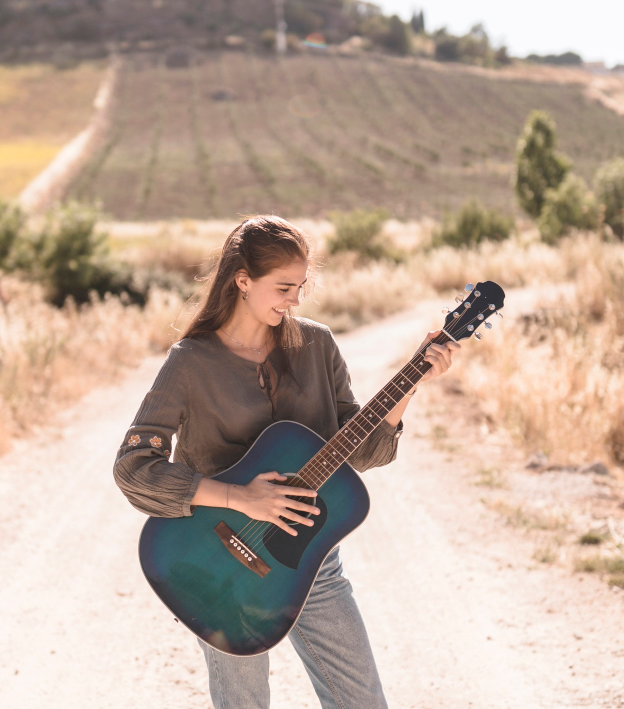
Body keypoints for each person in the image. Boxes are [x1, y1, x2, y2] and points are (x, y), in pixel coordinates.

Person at [114, 215, 459, 709]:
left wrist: (413, 382)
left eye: (300, 287)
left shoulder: (317, 346)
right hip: (218, 561)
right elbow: (134, 469)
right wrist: (240, 497)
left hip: (312, 567)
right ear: (242, 281)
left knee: (362, 702)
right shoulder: (191, 362)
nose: (294, 300)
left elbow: (358, 451)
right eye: (283, 287)